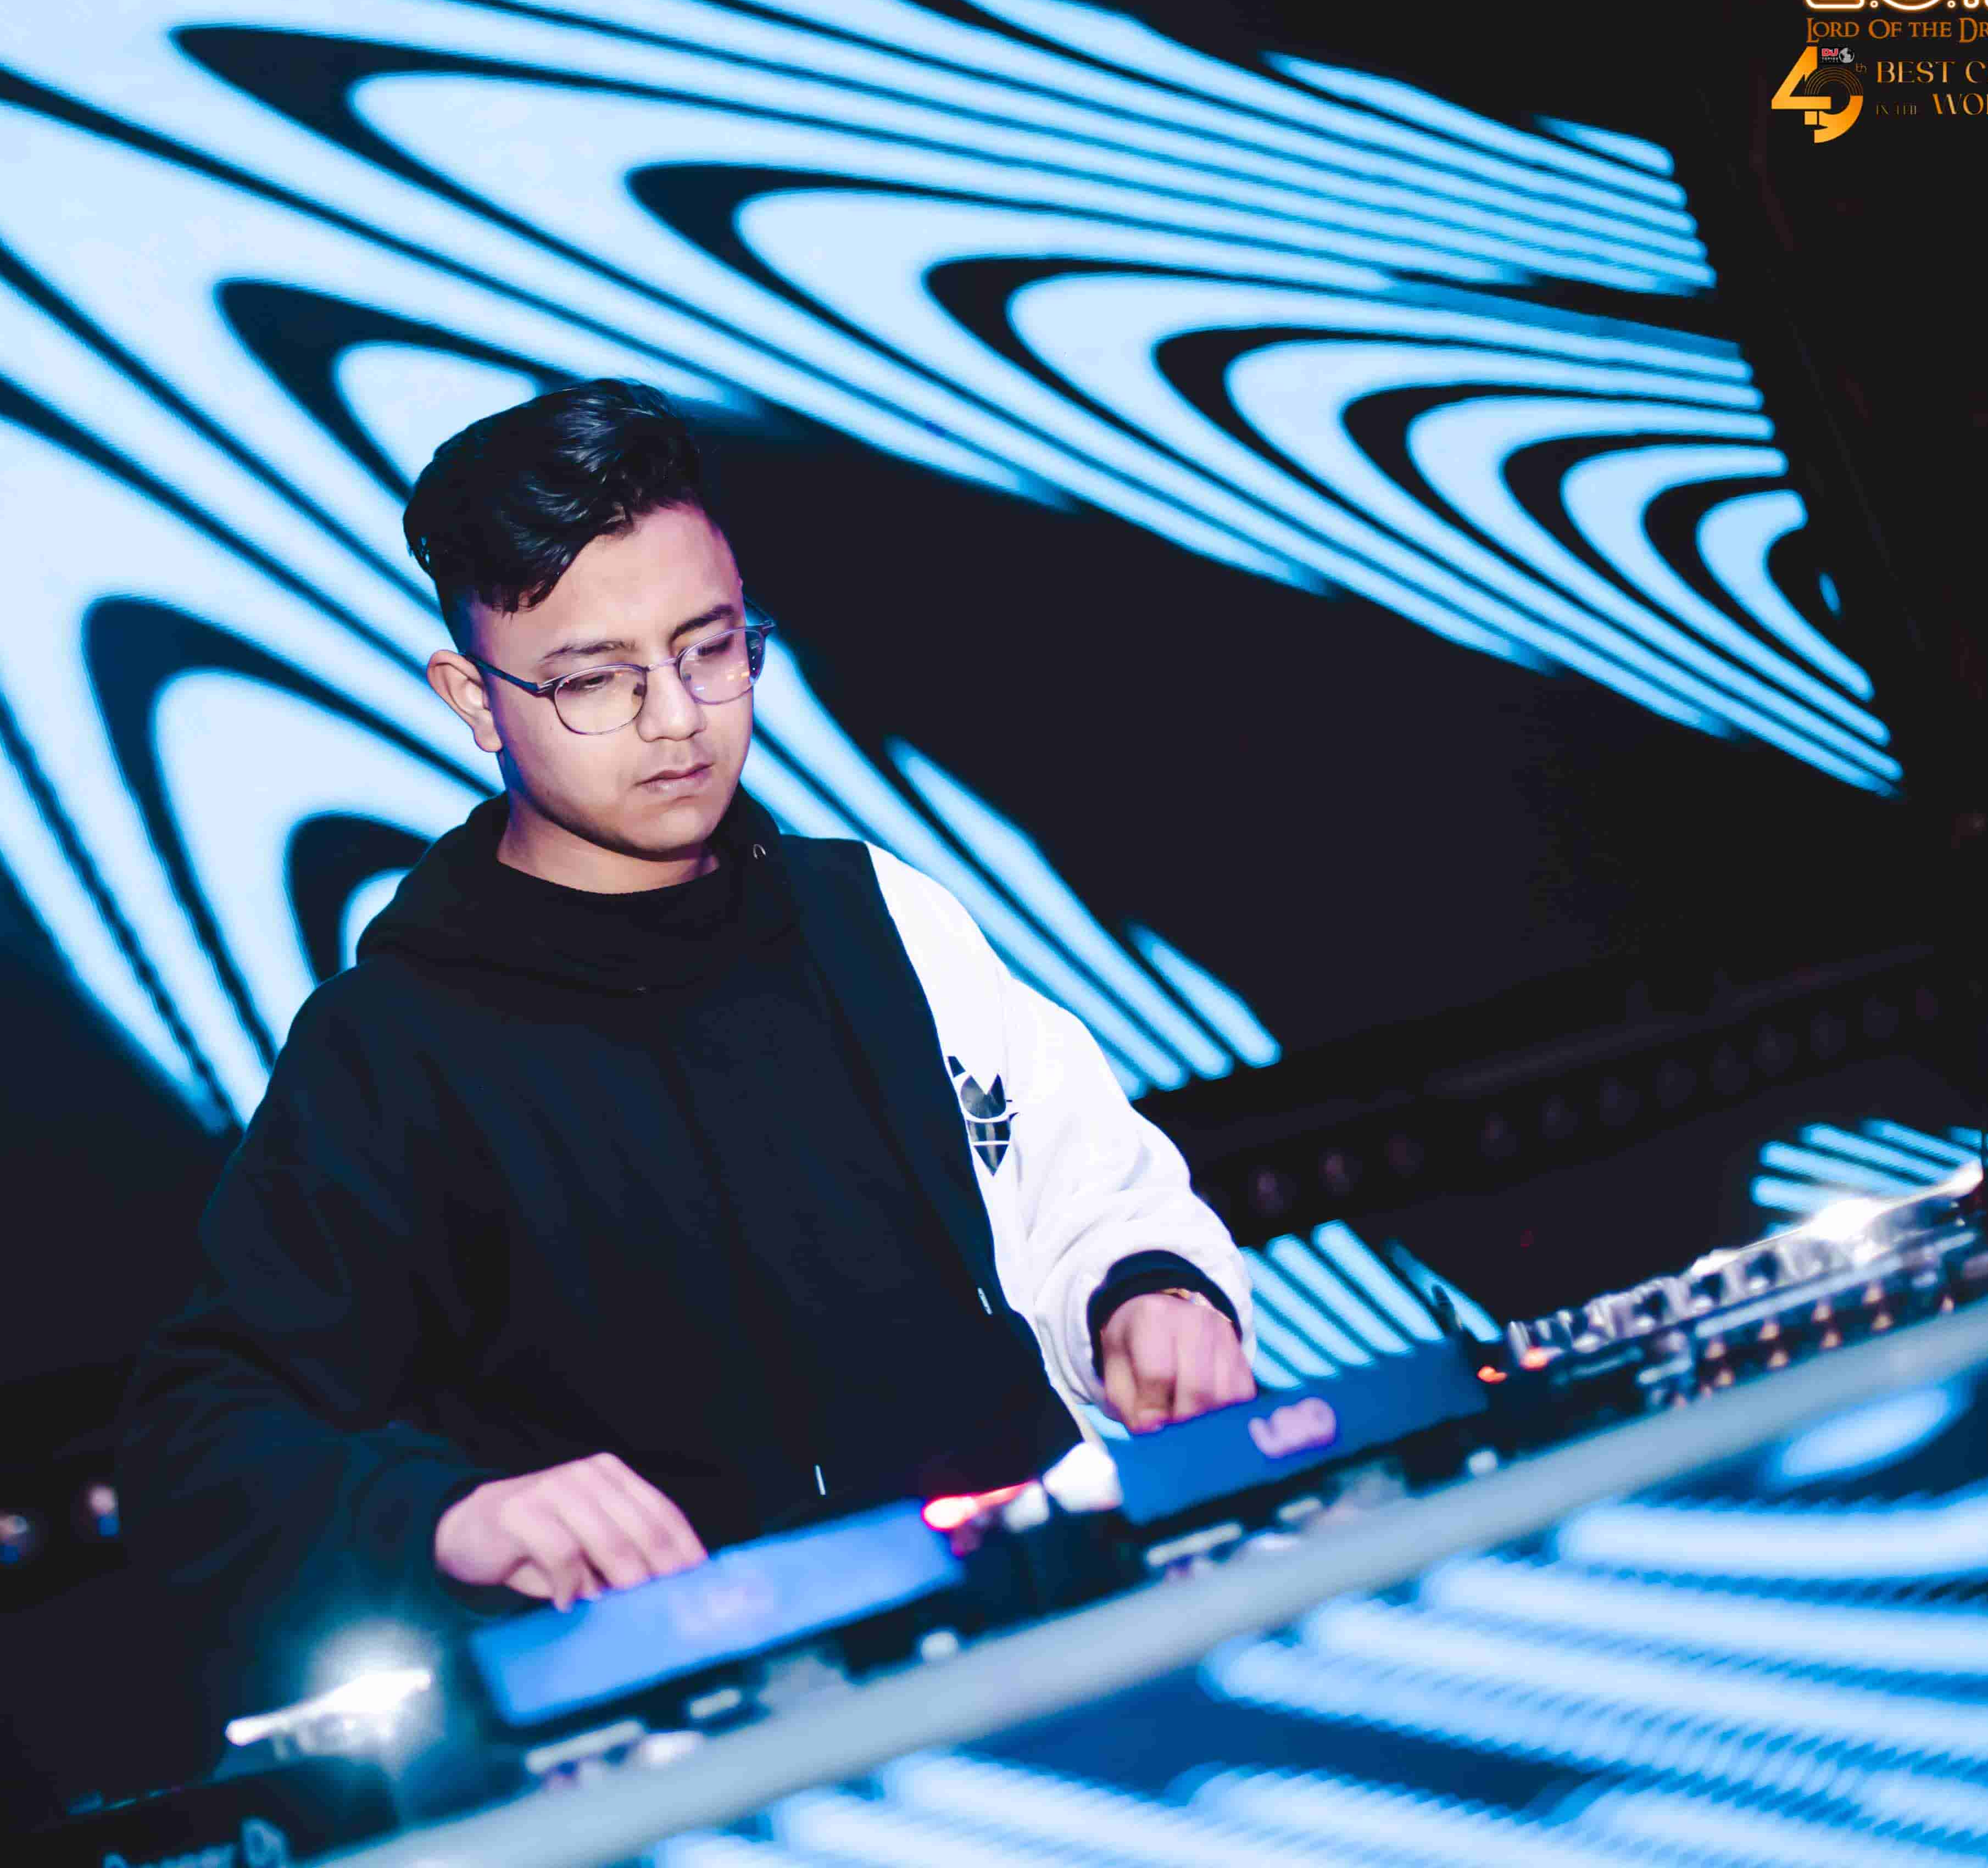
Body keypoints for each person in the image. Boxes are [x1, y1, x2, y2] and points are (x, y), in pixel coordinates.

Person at [117, 379, 1253, 1732]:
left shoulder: (873, 917)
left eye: (712, 651)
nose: (678, 719)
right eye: (597, 681)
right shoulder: (392, 1053)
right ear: (474, 700)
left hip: (1066, 1645)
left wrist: (1148, 1292)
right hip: (706, 1736)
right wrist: (456, 1518)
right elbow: (201, 1443)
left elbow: (1081, 1195)